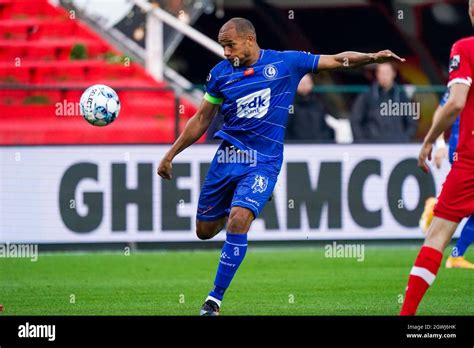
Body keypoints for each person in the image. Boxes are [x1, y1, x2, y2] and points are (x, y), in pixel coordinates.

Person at [157, 17, 404, 316]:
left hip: (264, 162)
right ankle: (247, 200)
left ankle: (213, 300)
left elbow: (338, 60)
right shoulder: (220, 74)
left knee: (238, 219)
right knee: (204, 231)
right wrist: (171, 154)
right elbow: (201, 119)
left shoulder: (286, 63)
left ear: (250, 39)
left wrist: (372, 57)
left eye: (230, 45)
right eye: (222, 46)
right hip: (228, 159)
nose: (225, 52)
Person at [400, 0, 474, 315]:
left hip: (471, 160)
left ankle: (406, 317)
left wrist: (429, 141)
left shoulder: (465, 48)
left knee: (437, 235)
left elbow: (455, 103)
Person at [420, 90, 474, 269]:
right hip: (463, 150)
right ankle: (456, 255)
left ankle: (456, 255)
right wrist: (440, 143)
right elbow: (442, 110)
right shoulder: (463, 80)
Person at [351, 62, 417, 143]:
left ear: (394, 74)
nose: (384, 76)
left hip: (397, 145)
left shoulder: (402, 96)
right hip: (372, 145)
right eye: (381, 73)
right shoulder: (367, 96)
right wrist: (362, 141)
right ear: (377, 74)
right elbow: (355, 121)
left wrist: (404, 139)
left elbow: (412, 122)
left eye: (387, 73)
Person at [286, 73, 335, 142]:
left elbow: (324, 124)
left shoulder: (319, 102)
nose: (305, 86)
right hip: (297, 148)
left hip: (320, 146)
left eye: (307, 83)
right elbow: (286, 128)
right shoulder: (290, 105)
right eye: (302, 83)